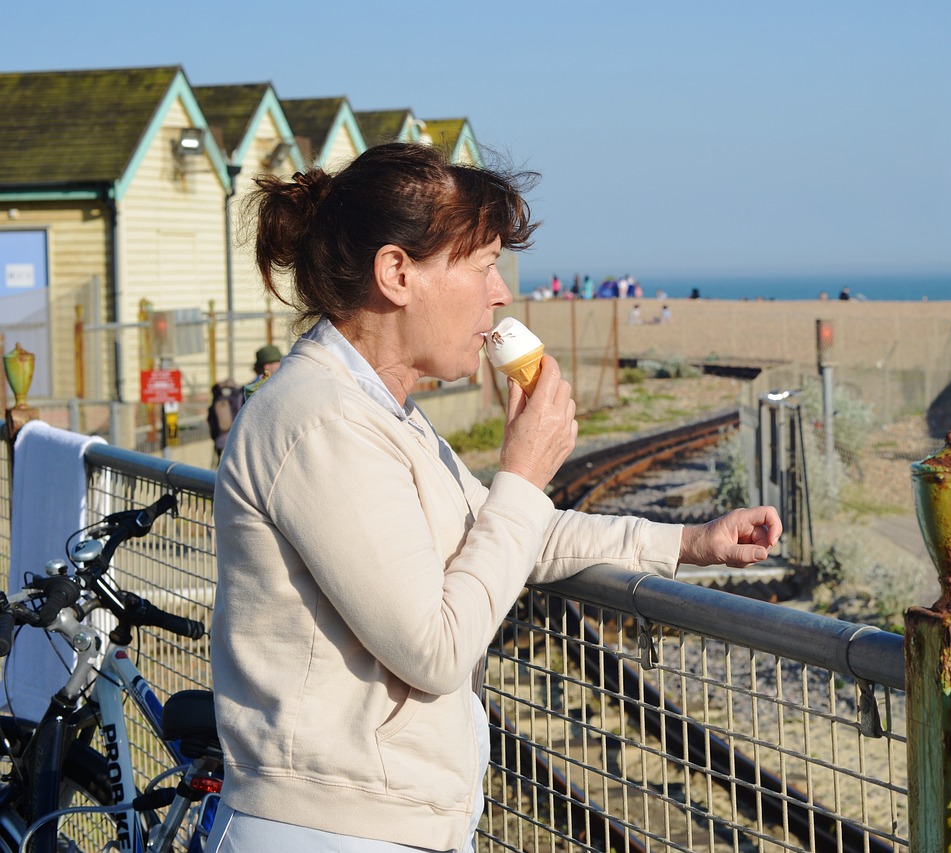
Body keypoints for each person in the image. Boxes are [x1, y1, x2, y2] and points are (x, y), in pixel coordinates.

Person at [207, 143, 782, 852]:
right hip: (332, 829)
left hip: (372, 823)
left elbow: (500, 531)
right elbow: (434, 648)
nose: (501, 292)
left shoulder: (378, 411)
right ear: (397, 274)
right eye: (481, 266)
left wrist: (687, 541)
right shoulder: (319, 420)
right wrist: (522, 470)